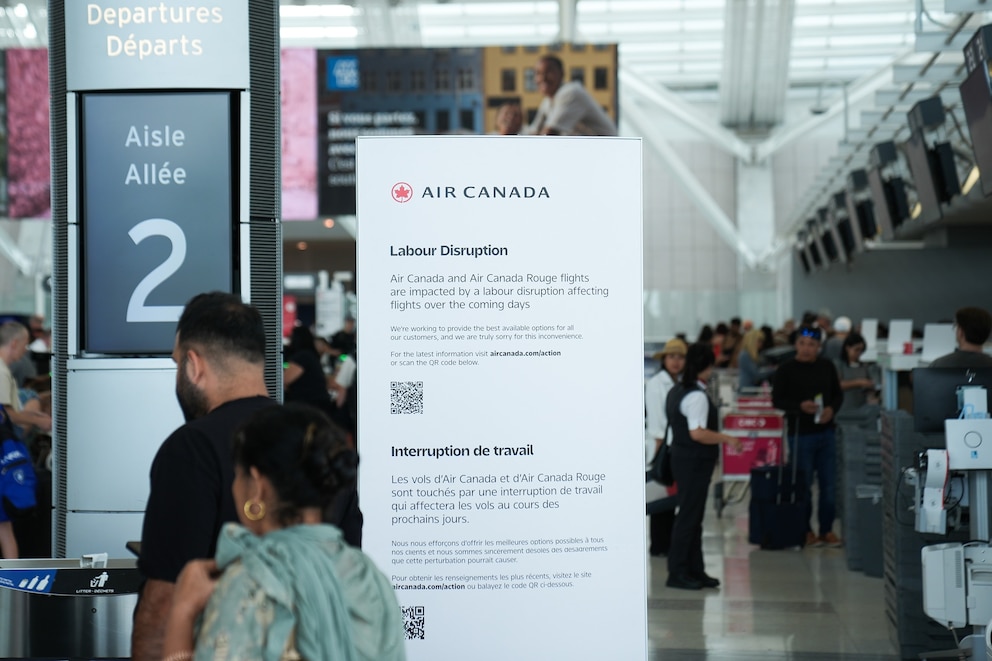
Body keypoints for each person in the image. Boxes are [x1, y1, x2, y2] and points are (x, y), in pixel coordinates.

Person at [162, 404, 405, 661]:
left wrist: (183, 612)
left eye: (238, 474)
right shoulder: (367, 577)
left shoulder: (248, 583)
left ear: (257, 485)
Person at [131, 292, 275, 661]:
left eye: (176, 362)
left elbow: (165, 596)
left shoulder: (193, 447)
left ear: (194, 365)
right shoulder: (321, 439)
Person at [665, 344, 742, 590]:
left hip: (683, 458)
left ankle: (694, 569)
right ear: (707, 366)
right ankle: (677, 572)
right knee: (688, 517)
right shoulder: (696, 396)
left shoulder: (677, 390)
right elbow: (697, 433)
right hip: (693, 461)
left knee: (693, 516)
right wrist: (727, 438)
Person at [771, 325, 844, 548]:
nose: (806, 349)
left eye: (811, 345)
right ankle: (805, 530)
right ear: (796, 345)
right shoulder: (785, 370)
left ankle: (826, 530)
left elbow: (837, 395)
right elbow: (777, 401)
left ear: (818, 347)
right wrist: (799, 407)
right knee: (802, 486)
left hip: (826, 434)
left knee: (829, 486)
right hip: (800, 435)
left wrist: (832, 409)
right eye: (802, 344)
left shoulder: (827, 366)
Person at [644, 338, 687, 556]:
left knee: (669, 499)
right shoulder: (655, 384)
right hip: (662, 447)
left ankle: (667, 544)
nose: (676, 362)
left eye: (680, 358)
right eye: (672, 357)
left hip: (674, 446)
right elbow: (657, 420)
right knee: (661, 497)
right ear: (664, 360)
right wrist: (663, 450)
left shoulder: (679, 382)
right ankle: (659, 546)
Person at [523, 54, 617, 137]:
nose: (543, 78)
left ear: (562, 73)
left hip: (607, 150)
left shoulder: (571, 93)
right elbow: (534, 132)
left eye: (549, 72)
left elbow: (549, 135)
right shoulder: (548, 101)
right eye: (538, 73)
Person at [0, 322, 50, 434]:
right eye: (25, 345)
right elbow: (6, 414)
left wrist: (31, 415)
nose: (25, 350)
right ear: (14, 344)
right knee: (31, 396)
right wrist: (38, 421)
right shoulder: (2, 372)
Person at [835, 332, 880, 411]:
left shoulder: (865, 367)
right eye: (856, 350)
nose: (859, 353)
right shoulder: (838, 364)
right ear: (847, 348)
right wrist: (859, 382)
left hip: (862, 408)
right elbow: (837, 385)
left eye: (861, 350)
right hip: (843, 408)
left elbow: (870, 388)